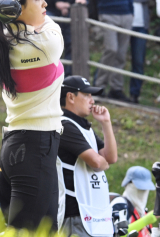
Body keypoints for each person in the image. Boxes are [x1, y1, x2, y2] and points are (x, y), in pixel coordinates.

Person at [0, 0, 63, 230]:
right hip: (36, 147)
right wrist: (0, 0)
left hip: (16, 147)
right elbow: (47, 24)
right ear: (17, 7)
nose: (45, 4)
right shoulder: (47, 42)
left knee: (41, 231)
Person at [58, 75, 117, 237]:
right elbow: (97, 163)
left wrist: (106, 122)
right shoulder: (64, 125)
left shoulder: (83, 127)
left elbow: (111, 158)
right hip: (76, 215)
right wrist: (102, 161)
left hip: (94, 217)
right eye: (87, 95)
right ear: (71, 97)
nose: (92, 100)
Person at [78, 0, 133, 102]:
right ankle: (98, 85)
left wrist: (131, 12)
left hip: (126, 15)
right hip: (108, 15)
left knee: (122, 54)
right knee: (111, 49)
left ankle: (116, 88)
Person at [122, 0, 153, 103]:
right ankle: (116, 89)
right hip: (122, 22)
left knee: (138, 60)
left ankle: (135, 94)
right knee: (117, 55)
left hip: (141, 24)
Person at [110, 166, 155, 237]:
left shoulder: (142, 211)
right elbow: (119, 234)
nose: (142, 193)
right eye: (139, 189)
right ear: (128, 185)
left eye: (145, 190)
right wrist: (147, 219)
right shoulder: (120, 204)